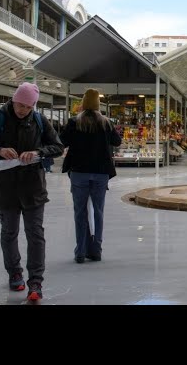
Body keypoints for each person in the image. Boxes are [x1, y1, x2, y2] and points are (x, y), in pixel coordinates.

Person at [0, 83, 64, 301]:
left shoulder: (40, 121)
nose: (23, 110)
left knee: (35, 234)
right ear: (13, 100)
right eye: (20, 105)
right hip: (6, 188)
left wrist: (38, 152)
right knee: (9, 232)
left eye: (28, 107)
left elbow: (58, 147)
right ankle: (15, 274)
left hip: (33, 187)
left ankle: (36, 282)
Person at [59, 89, 122, 264]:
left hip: (79, 172)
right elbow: (117, 142)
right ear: (98, 105)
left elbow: (61, 141)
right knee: (98, 212)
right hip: (101, 173)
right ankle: (96, 251)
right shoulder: (106, 123)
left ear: (83, 104)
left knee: (80, 212)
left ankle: (80, 251)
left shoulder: (74, 122)